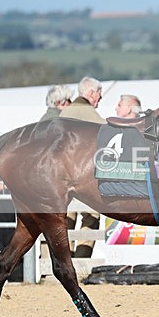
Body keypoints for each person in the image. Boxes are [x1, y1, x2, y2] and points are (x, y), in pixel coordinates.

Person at [60, 77, 105, 257]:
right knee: (91, 218)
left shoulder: (66, 112)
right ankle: (82, 262)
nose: (100, 98)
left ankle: (65, 261)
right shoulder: (88, 113)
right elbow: (107, 134)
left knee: (66, 221)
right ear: (91, 92)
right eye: (99, 93)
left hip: (63, 178)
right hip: (85, 178)